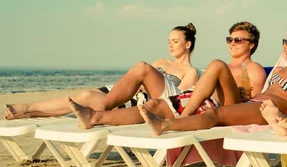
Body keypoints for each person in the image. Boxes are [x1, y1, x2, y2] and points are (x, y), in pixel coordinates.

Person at [136, 21, 287, 136]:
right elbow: (258, 94)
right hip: (252, 104)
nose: (285, 44)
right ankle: (181, 116)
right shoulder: (279, 70)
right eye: (285, 41)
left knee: (213, 115)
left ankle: (166, 124)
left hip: (266, 112)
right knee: (217, 67)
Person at [68, 22, 267, 128]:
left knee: (216, 64)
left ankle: (185, 115)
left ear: (252, 44)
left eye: (238, 40)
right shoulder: (219, 69)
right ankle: (95, 117)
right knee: (153, 105)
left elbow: (253, 105)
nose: (232, 43)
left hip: (226, 108)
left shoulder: (253, 68)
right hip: (198, 101)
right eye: (230, 39)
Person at [4, 24, 199, 120]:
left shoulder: (190, 71)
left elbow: (176, 100)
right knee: (86, 95)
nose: (170, 45)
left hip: (149, 102)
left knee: (141, 67)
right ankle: (30, 110)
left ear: (188, 44)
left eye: (175, 41)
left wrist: (145, 86)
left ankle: (28, 108)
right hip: (128, 94)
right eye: (168, 41)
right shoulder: (161, 61)